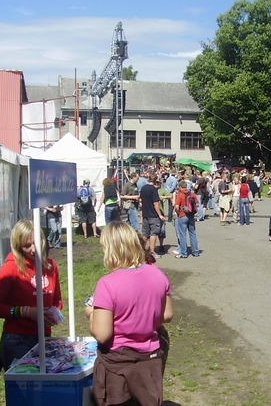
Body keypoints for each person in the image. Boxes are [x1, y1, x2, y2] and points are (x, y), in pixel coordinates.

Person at [85, 221, 173, 406]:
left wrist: (91, 313)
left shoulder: (107, 284)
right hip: (149, 359)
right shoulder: (157, 274)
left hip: (117, 363)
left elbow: (102, 334)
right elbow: (167, 315)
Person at [0, 219, 63, 370]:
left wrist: (53, 312)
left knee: (44, 388)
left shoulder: (51, 266)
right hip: (17, 340)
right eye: (27, 246)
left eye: (37, 243)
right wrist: (26, 311)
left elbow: (57, 300)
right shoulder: (10, 269)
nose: (34, 249)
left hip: (44, 338)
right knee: (24, 391)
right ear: (18, 246)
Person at [140, 173, 167, 259]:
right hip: (153, 215)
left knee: (144, 233)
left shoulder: (143, 188)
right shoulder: (153, 190)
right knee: (153, 233)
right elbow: (156, 203)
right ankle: (151, 251)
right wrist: (160, 215)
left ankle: (142, 250)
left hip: (145, 214)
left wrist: (141, 214)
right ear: (155, 181)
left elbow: (141, 201)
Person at [173, 180, 200, 258]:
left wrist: (178, 213)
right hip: (191, 216)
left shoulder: (180, 195)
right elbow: (197, 204)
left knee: (182, 235)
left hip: (182, 215)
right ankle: (195, 252)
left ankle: (184, 253)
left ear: (180, 187)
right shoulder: (192, 194)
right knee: (193, 233)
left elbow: (177, 206)